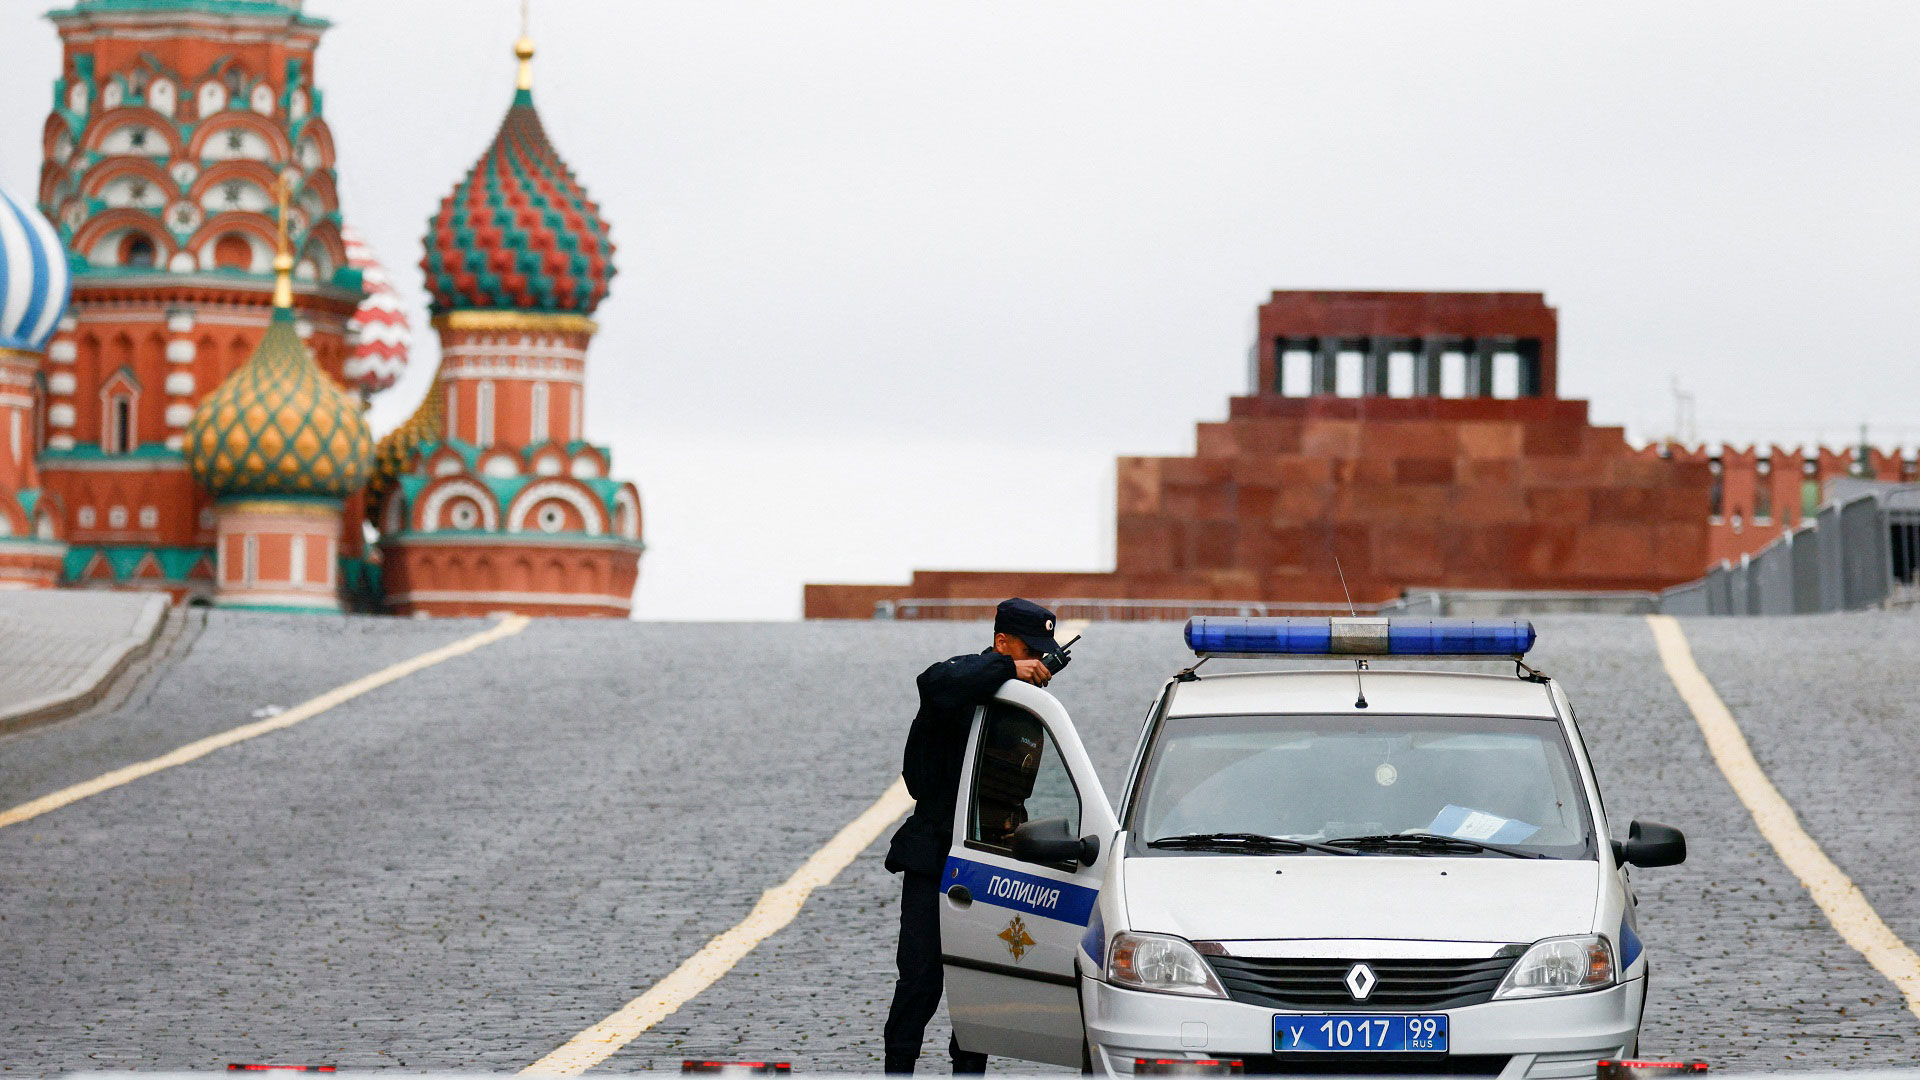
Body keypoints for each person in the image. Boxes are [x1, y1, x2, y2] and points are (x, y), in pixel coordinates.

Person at [882, 598, 1063, 1076]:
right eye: (1030, 651)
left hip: (992, 856)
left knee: (980, 985)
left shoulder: (1023, 702)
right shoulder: (965, 681)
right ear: (1002, 642)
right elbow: (934, 681)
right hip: (936, 851)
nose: (1039, 661)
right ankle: (898, 1067)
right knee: (919, 980)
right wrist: (1007, 669)